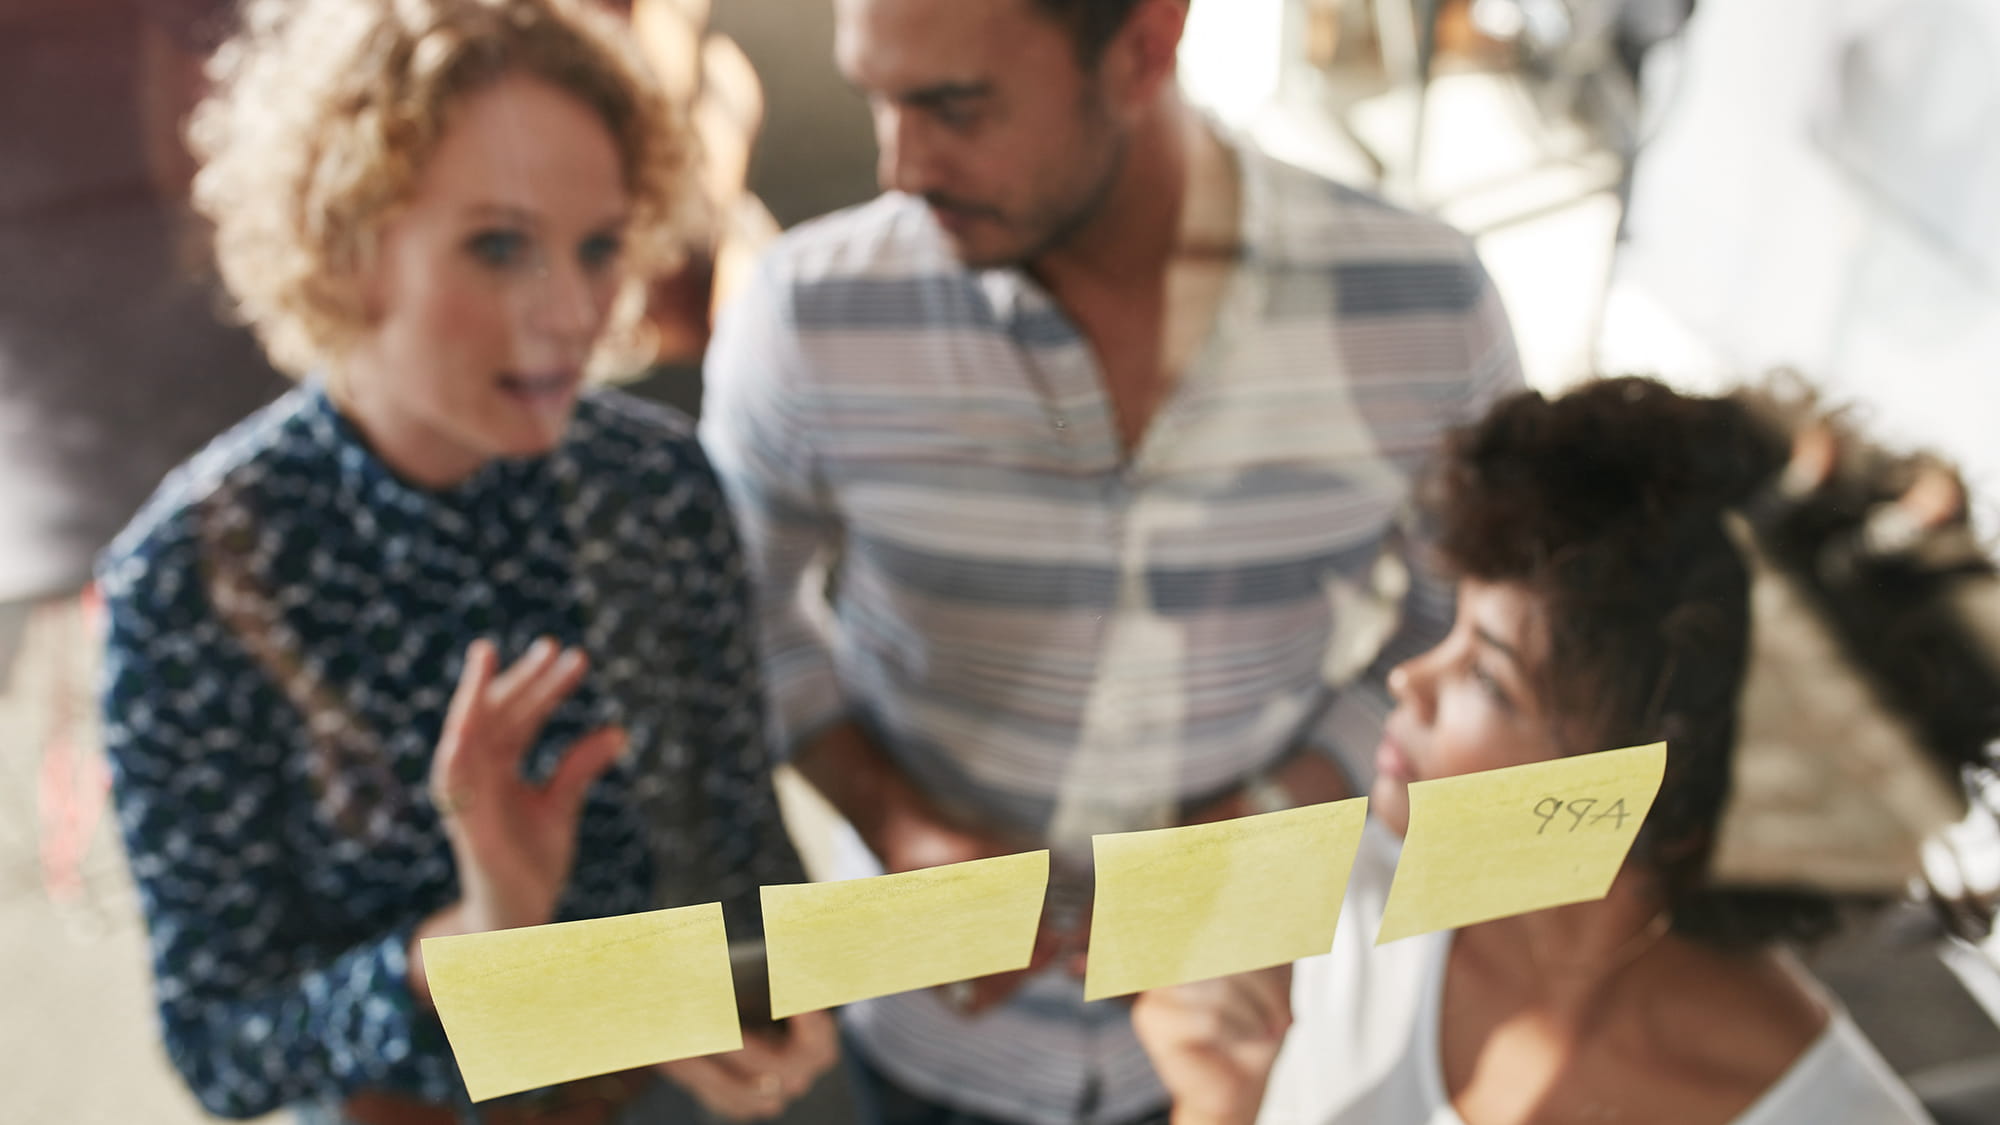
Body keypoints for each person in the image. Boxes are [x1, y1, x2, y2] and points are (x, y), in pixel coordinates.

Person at [697, 0, 1522, 1121]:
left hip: (1261, 1022)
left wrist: (1289, 800)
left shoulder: (1430, 310)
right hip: (917, 1020)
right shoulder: (803, 314)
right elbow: (741, 615)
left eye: (952, 105)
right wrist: (892, 818)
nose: (900, 165)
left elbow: (1464, 620)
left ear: (1144, 45)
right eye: (878, 98)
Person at [97, 1, 838, 1121]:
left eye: (599, 247)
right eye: (499, 246)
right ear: (345, 246)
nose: (573, 310)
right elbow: (223, 1048)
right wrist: (473, 935)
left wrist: (761, 1007)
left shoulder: (656, 490)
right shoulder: (189, 583)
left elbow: (744, 862)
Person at [1131, 377, 2000, 1124]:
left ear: (1676, 795)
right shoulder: (1328, 878)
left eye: (1490, 677)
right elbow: (1013, 916)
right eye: (1456, 626)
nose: (1410, 680)